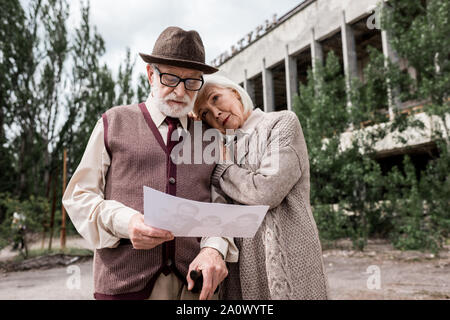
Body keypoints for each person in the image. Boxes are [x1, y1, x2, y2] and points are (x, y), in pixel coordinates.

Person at [62, 27, 237, 300]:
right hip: (125, 286)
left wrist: (214, 248)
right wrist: (126, 222)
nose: (180, 91)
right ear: (150, 75)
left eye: (192, 81)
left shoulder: (209, 136)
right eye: (170, 78)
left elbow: (221, 205)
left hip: (194, 287)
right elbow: (78, 197)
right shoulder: (113, 122)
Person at [193, 74, 329, 300]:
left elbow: (267, 191)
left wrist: (224, 170)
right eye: (205, 113)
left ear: (235, 93)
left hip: (290, 262)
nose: (214, 113)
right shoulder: (221, 149)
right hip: (241, 274)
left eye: (215, 98)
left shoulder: (281, 122)